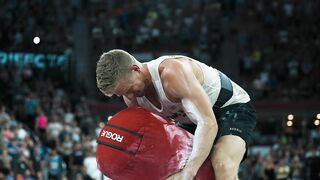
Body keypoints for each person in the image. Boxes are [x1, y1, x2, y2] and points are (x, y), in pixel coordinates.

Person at [96, 49, 257, 180]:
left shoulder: (171, 72)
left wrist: (189, 171)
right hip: (190, 119)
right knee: (173, 171)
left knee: (221, 163)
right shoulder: (131, 97)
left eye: (130, 89)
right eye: (123, 94)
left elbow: (208, 123)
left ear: (135, 69)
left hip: (230, 107)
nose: (130, 97)